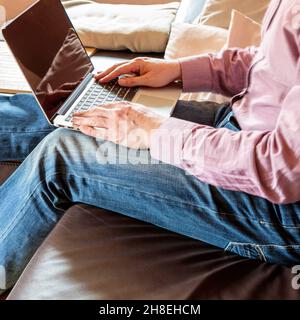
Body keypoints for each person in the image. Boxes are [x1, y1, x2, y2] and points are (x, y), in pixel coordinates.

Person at [0, 0, 300, 293]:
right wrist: (179, 70)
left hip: (275, 210)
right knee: (61, 111)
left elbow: (279, 168)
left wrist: (154, 130)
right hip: (240, 126)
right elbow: (270, 63)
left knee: (61, 156)